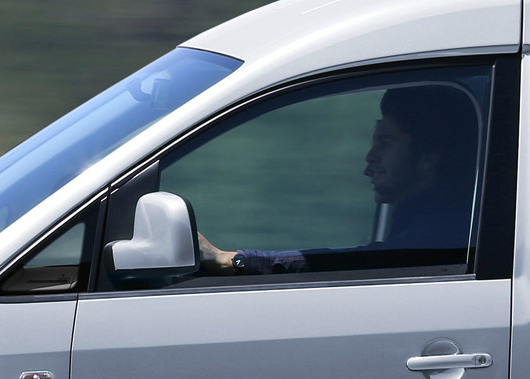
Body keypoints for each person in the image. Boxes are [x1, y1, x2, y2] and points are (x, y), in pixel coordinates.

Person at [198, 84, 479, 274]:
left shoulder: (437, 236)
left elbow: (359, 265)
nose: (369, 158)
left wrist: (231, 260)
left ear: (428, 156)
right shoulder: (439, 223)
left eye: (386, 143)